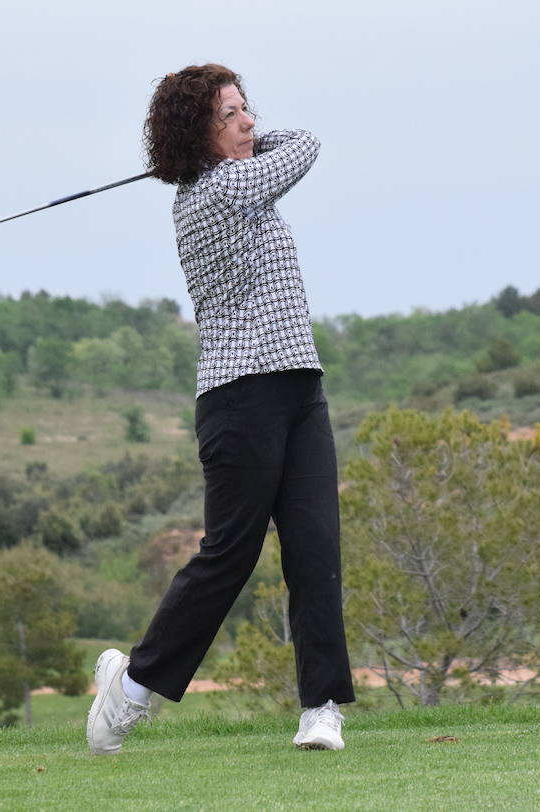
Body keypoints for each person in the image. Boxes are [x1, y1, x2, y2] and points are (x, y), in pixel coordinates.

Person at [86, 64, 355, 755]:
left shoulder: (242, 184)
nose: (248, 123)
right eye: (229, 114)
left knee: (315, 548)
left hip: (299, 387)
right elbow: (307, 143)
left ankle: (321, 707)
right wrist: (242, 149)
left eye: (246, 108)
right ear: (197, 135)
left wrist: (240, 134)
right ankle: (132, 689)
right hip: (240, 396)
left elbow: (285, 140)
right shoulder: (216, 192)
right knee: (229, 556)